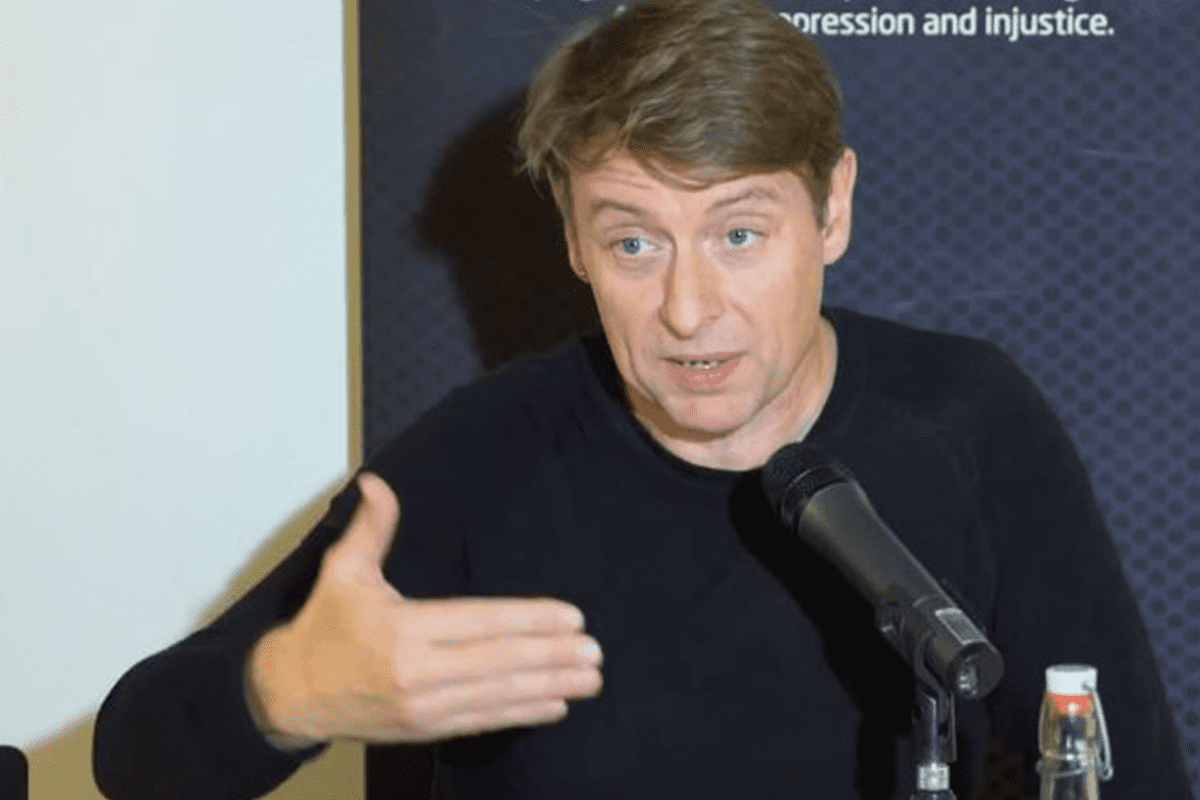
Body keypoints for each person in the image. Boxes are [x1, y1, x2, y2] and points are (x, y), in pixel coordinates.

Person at [93, 0, 1192, 798]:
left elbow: (1131, 774)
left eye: (739, 233)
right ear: (573, 239)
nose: (686, 308)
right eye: (633, 242)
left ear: (833, 210)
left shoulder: (968, 421)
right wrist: (285, 692)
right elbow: (135, 756)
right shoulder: (481, 457)